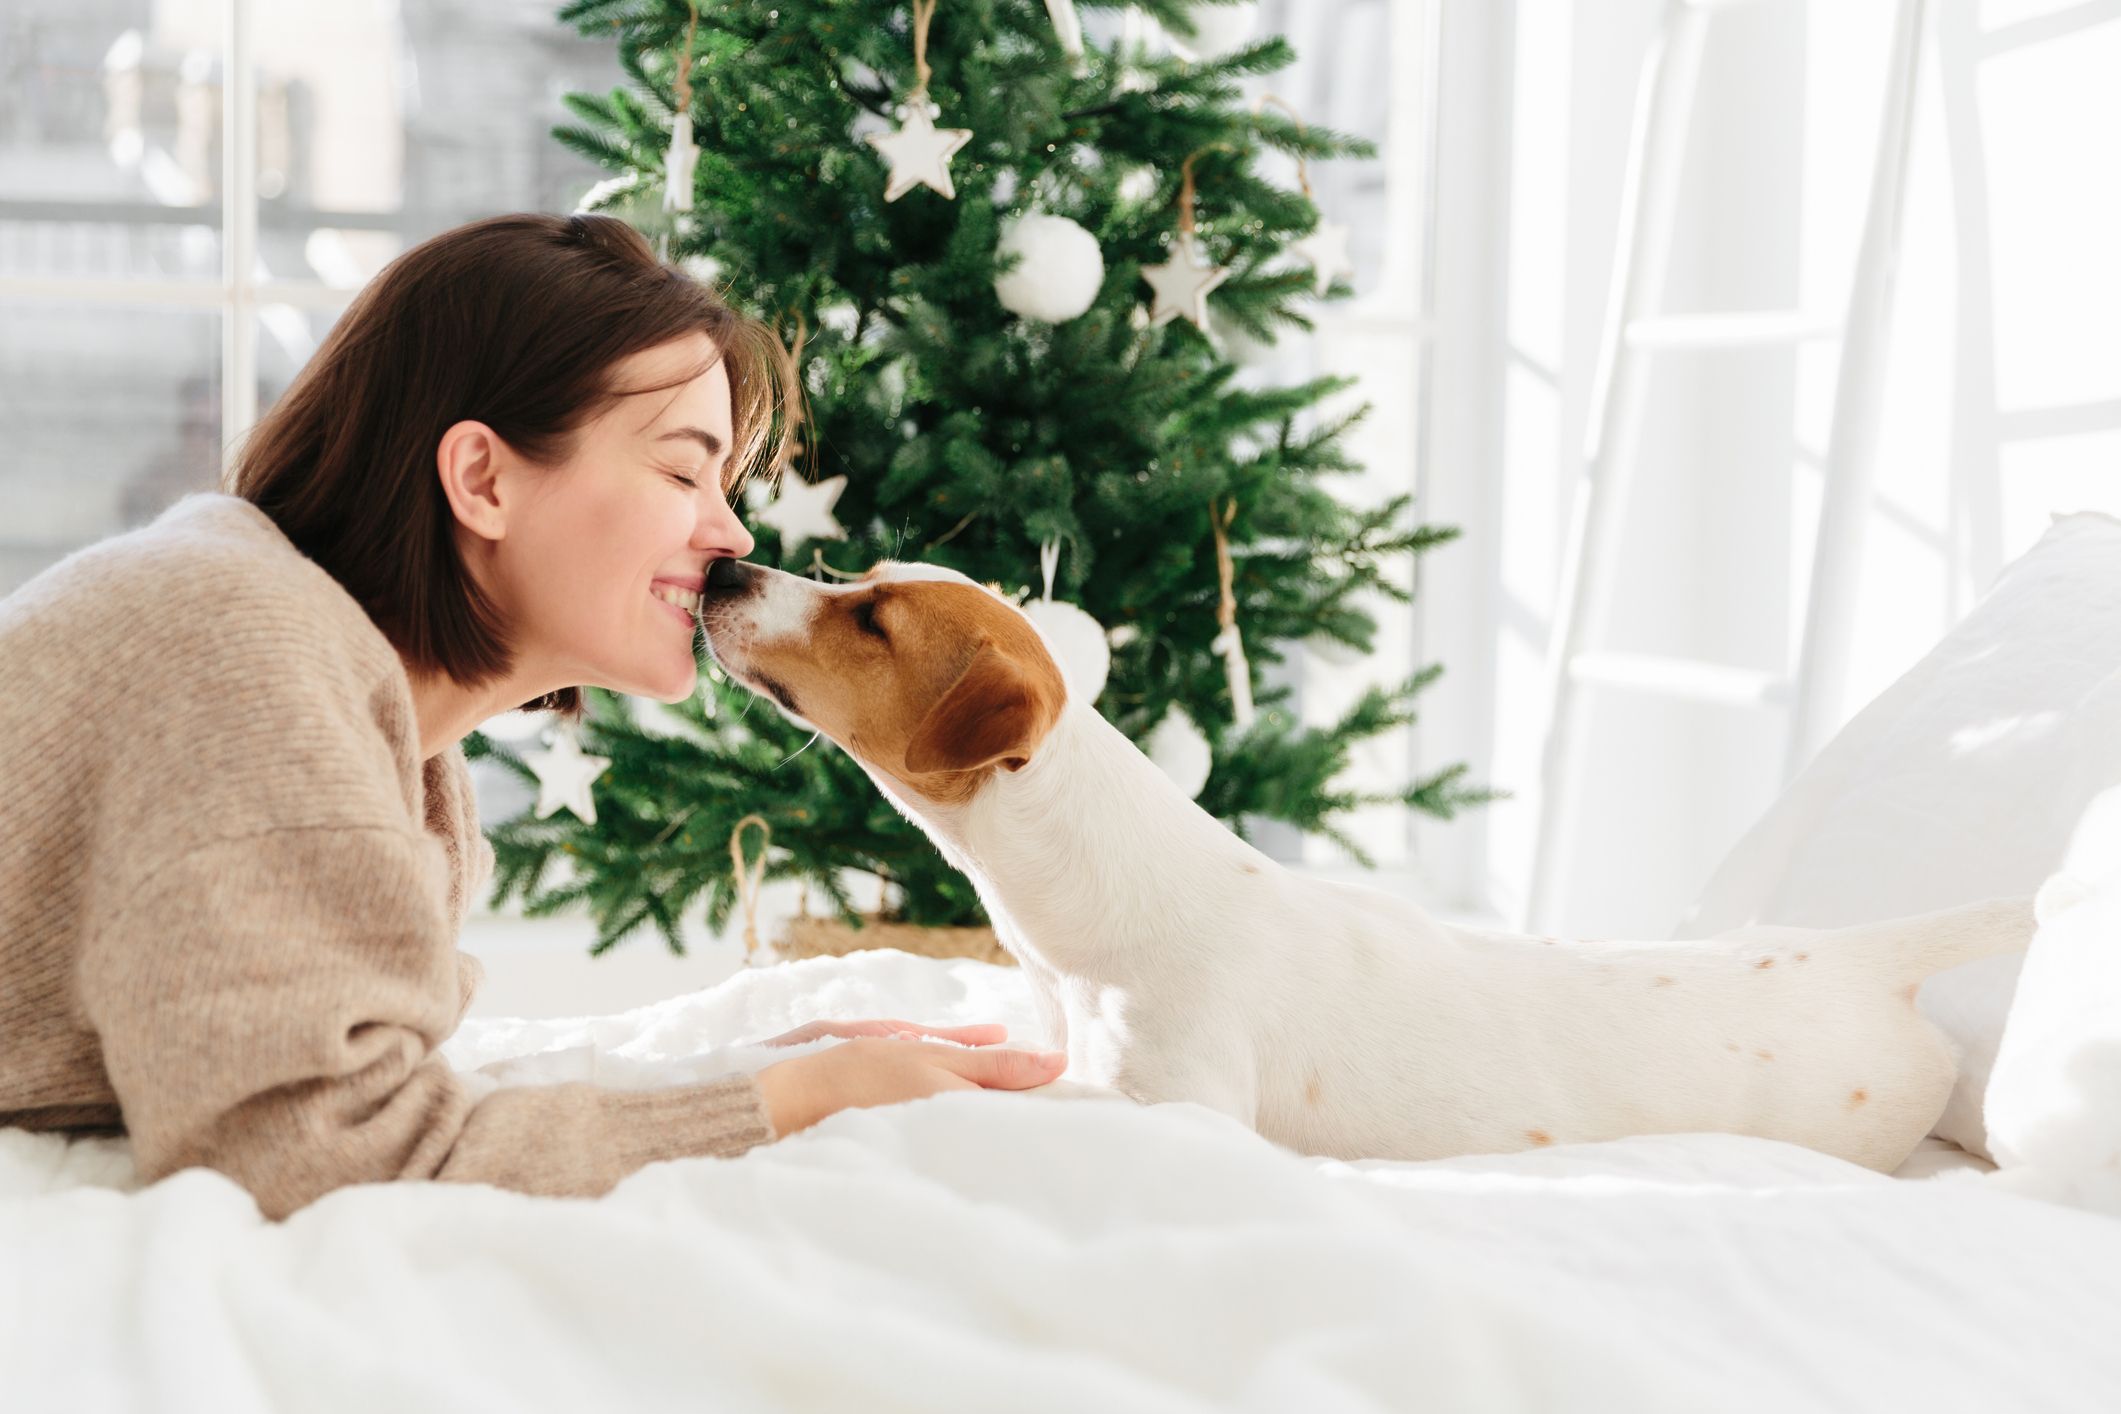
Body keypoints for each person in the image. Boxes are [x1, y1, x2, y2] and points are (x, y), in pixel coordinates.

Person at [0, 213, 1065, 1221]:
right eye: (683, 468)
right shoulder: (243, 662)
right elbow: (318, 1153)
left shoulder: (390, 748)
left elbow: (357, 1083)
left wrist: (743, 1070)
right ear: (482, 478)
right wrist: (796, 1100)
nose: (733, 535)